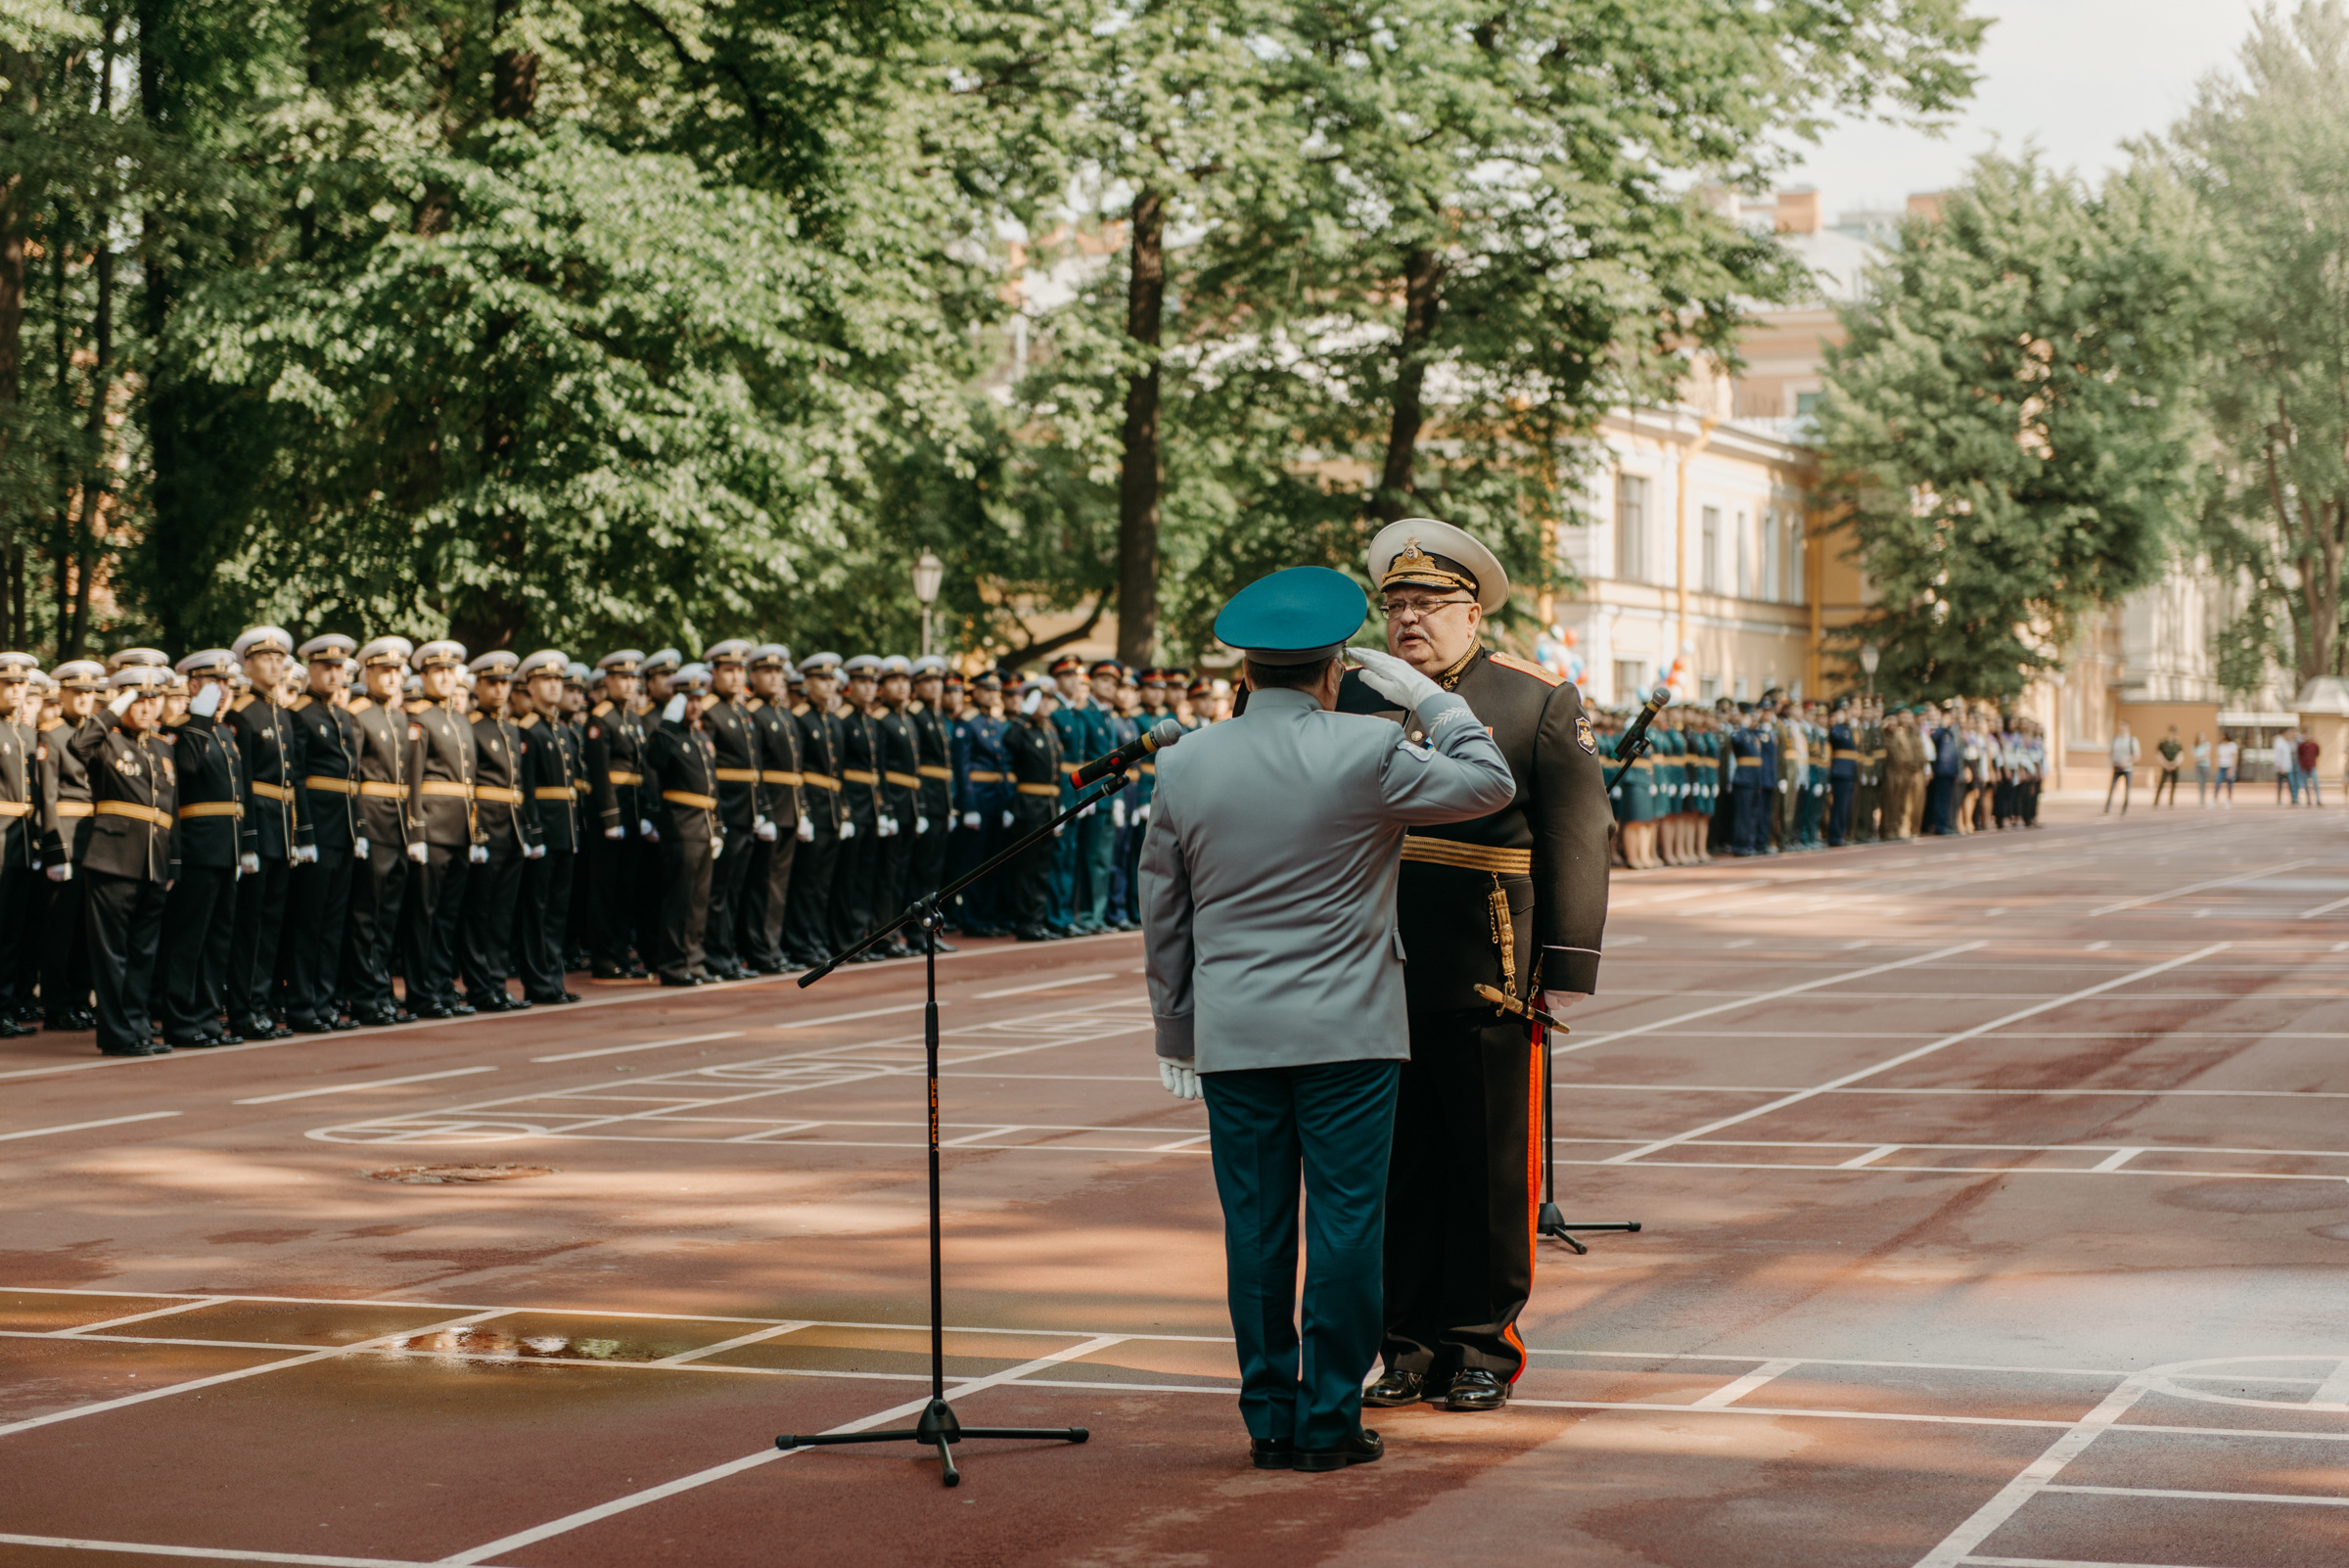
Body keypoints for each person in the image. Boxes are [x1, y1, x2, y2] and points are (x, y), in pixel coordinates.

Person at [1142, 564, 1514, 1472]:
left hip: (1235, 1032)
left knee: (1257, 1229)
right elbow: (1490, 782)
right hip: (1350, 1031)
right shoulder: (1365, 747)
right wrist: (1433, 698)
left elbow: (1164, 914)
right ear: (1332, 669)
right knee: (1348, 1227)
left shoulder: (1186, 760)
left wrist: (1177, 1031)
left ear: (1246, 673)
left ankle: (1269, 1415)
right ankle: (1328, 1419)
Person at [1332, 519, 1610, 1416]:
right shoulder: (1353, 699)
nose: (1409, 620)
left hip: (1490, 964)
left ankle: (1481, 1345)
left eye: (1429, 604)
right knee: (1393, 1168)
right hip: (1373, 964)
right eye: (1396, 604)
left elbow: (1577, 837)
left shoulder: (1533, 699)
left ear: (1474, 611)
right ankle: (1406, 1346)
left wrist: (1563, 962)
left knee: (1489, 1175)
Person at [76, 662, 177, 1056]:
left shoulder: (162, 748)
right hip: (113, 859)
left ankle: (137, 1028)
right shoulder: (106, 741)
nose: (147, 707)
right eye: (138, 698)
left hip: (154, 860)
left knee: (142, 953)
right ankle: (116, 1033)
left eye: (153, 699)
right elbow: (78, 743)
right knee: (112, 953)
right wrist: (113, 709)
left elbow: (172, 812)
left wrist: (175, 862)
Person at [156, 651, 250, 1048]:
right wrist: (197, 718)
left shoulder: (225, 733)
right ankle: (180, 1020)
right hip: (197, 848)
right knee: (188, 940)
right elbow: (187, 770)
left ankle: (208, 1018)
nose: (223, 690)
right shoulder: (180, 730)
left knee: (217, 941)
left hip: (226, 849)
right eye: (215, 682)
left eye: (227, 683)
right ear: (194, 686)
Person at [225, 625, 311, 1040]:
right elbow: (242, 780)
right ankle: (244, 1008)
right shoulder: (241, 713)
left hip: (283, 824)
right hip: (259, 823)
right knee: (251, 926)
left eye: (280, 659)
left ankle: (262, 1004)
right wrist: (249, 840)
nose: (275, 665)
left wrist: (301, 833)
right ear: (248, 664)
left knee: (272, 922)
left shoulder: (281, 714)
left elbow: (294, 780)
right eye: (266, 658)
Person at [338, 637, 419, 1026]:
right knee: (365, 917)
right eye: (384, 671)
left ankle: (383, 990)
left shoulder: (399, 718)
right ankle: (365, 996)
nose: (392, 678)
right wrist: (358, 828)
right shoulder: (359, 714)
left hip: (398, 824)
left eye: (396, 671)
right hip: (372, 820)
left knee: (388, 917)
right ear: (368, 672)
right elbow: (352, 776)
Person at [402, 639, 483, 1019]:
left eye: (451, 671)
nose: (447, 678)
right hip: (432, 827)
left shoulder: (461, 719)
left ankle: (441, 987)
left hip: (460, 830)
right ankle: (421, 993)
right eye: (439, 671)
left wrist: (475, 830)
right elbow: (413, 778)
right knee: (424, 916)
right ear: (424, 676)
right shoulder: (420, 719)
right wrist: (415, 830)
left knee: (448, 916)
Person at [459, 650, 535, 1011]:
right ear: (478, 684)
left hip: (512, 828)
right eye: (493, 682)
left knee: (502, 915)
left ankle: (496, 983)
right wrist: (475, 831)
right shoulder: (472, 727)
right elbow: (469, 784)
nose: (501, 689)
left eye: (505, 682)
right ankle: (479, 987)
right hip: (487, 826)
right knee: (480, 914)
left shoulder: (511, 728)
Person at [35, 659, 106, 1032]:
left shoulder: (98, 734)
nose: (83, 698)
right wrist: (54, 849)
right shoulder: (52, 735)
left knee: (84, 926)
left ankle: (80, 998)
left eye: (89, 692)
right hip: (66, 834)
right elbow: (47, 796)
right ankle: (57, 1003)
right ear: (61, 694)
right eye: (76, 692)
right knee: (60, 927)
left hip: (94, 838)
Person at [513, 649, 582, 1006]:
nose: (555, 686)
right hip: (544, 832)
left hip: (565, 832)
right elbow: (525, 787)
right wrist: (533, 831)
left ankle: (553, 979)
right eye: (547, 680)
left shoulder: (563, 731)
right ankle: (539, 982)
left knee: (557, 912)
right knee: (537, 912)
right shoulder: (529, 731)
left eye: (558, 680)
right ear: (531, 686)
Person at [649, 662, 722, 986]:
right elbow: (655, 759)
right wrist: (668, 719)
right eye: (687, 699)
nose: (694, 705)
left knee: (698, 901)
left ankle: (695, 961)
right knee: (679, 901)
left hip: (704, 826)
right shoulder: (669, 735)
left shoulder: (703, 738)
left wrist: (717, 827)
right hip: (681, 826)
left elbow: (712, 787)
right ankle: (674, 965)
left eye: (698, 698)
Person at [698, 640, 765, 980]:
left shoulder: (742, 711)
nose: (737, 676)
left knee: (735, 890)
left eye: (741, 670)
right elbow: (708, 770)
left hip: (746, 813)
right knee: (718, 892)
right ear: (714, 673)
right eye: (729, 670)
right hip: (726, 812)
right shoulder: (709, 711)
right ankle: (715, 956)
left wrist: (761, 809)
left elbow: (755, 768)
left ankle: (727, 953)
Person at [583, 649, 650, 980]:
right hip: (611, 816)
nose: (629, 684)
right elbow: (599, 773)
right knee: (606, 889)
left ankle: (621, 952)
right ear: (608, 680)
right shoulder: (601, 718)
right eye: (622, 678)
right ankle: (604, 956)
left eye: (633, 678)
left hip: (633, 811)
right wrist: (610, 817)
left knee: (627, 888)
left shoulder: (634, 719)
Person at [741, 644, 805, 973]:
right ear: (753, 675)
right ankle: (760, 949)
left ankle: (772, 945)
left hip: (789, 808)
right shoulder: (754, 713)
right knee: (763, 885)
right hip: (771, 809)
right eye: (767, 671)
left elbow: (796, 769)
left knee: (779, 886)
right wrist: (763, 811)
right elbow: (757, 769)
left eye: (778, 671)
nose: (775, 677)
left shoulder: (783, 714)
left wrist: (802, 810)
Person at [782, 653, 846, 965]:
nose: (829, 684)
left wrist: (843, 811)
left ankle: (816, 939)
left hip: (832, 809)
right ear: (806, 683)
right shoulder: (800, 718)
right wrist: (804, 811)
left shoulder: (833, 720)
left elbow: (839, 773)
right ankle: (800, 942)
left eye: (832, 679)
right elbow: (798, 771)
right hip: (813, 808)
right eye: (822, 679)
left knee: (823, 885)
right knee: (805, 884)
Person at [1001, 677, 1064, 942]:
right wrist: (1024, 712)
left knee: (1041, 869)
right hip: (1028, 807)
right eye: (1041, 699)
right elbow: (1009, 742)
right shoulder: (1022, 729)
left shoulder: (1049, 731)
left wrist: (1059, 808)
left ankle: (1037, 920)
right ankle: (1025, 921)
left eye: (1049, 699)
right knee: (1026, 869)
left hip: (1048, 806)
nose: (1046, 705)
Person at [2103, 722, 2139, 815]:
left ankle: (2124, 808)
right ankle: (2107, 807)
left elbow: (2136, 755)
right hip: (2117, 767)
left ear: (2128, 729)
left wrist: (2126, 762)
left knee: (2127, 790)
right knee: (2112, 788)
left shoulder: (2132, 740)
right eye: (2120, 728)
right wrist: (2111, 762)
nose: (2122, 730)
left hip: (2127, 768)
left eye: (2124, 728)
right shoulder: (2116, 740)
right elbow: (2111, 752)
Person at [2153, 725, 2183, 808]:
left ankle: (2171, 801)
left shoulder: (2177, 743)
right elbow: (2159, 754)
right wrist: (2165, 763)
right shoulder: (2163, 743)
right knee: (2161, 783)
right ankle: (2156, 800)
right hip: (2165, 765)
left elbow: (2180, 755)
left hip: (2174, 766)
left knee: (2173, 784)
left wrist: (2174, 764)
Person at [2298, 729, 2323, 807]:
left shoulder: (2314, 745)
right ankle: (2308, 800)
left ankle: (2318, 800)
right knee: (2306, 785)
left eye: (2307, 735)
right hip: (2304, 767)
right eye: (2305, 735)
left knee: (2315, 784)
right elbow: (2299, 755)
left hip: (2312, 766)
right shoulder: (2301, 746)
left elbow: (2317, 753)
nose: (2306, 737)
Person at [2216, 733, 2238, 807]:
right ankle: (2215, 799)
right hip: (2222, 767)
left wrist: (2232, 769)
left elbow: (2234, 757)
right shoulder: (2220, 746)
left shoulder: (2232, 745)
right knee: (2218, 782)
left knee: (2229, 784)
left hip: (2229, 767)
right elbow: (2218, 757)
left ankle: (2229, 800)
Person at [2275, 729, 2297, 806]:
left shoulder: (2285, 742)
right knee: (2281, 785)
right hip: (2282, 768)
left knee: (2291, 784)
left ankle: (2293, 799)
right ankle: (2280, 799)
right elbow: (2278, 756)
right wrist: (2280, 766)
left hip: (2288, 767)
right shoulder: (2279, 742)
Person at [2191, 731, 2212, 806]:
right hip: (2198, 767)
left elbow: (2206, 756)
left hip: (2205, 766)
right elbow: (2194, 758)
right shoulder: (2194, 746)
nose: (2201, 738)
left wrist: (2198, 759)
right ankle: (2201, 798)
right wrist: (2200, 758)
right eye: (2200, 737)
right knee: (2200, 782)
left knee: (2204, 782)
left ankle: (2204, 797)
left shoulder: (2207, 745)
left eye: (2203, 736)